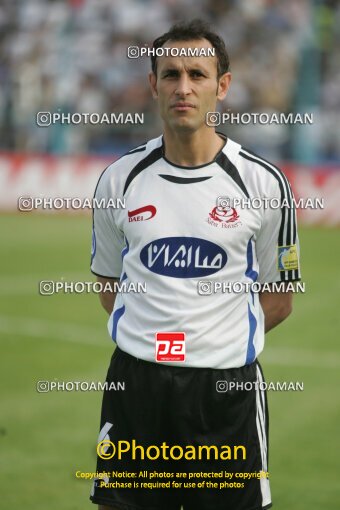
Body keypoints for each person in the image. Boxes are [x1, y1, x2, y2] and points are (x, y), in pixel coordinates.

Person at [89, 19, 301, 510]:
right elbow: (107, 281)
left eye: (198, 75)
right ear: (153, 85)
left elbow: (280, 297)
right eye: (170, 75)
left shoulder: (264, 185)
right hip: (135, 386)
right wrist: (155, 337)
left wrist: (210, 342)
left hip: (225, 390)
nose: (183, 87)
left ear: (222, 86)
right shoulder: (119, 180)